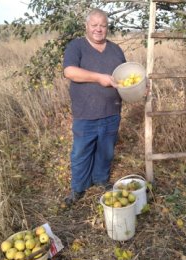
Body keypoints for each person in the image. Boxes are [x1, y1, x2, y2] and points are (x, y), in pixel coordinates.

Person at [63, 8, 126, 205]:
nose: (99, 29)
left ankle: (100, 180)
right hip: (85, 113)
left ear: (107, 27)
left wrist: (139, 88)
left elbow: (124, 78)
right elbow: (70, 72)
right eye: (95, 25)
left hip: (111, 112)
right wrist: (99, 78)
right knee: (81, 152)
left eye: (103, 25)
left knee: (106, 151)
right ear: (86, 26)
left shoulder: (116, 50)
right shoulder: (76, 46)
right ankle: (78, 188)